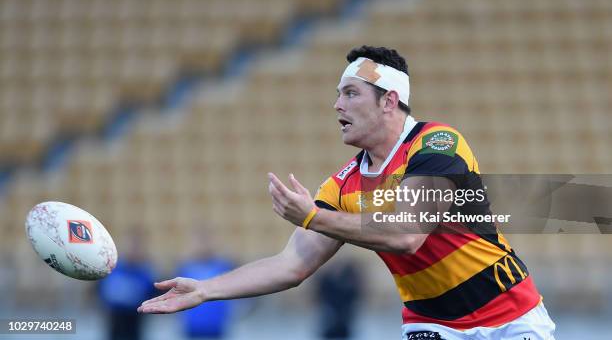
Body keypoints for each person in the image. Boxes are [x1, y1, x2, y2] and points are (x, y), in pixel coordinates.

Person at [138, 46, 556, 339]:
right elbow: (292, 265)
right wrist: (208, 289)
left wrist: (311, 216)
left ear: (390, 101)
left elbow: (407, 235)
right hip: (432, 324)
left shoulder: (437, 144)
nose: (337, 104)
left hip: (510, 316)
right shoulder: (342, 185)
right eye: (338, 93)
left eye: (351, 93)